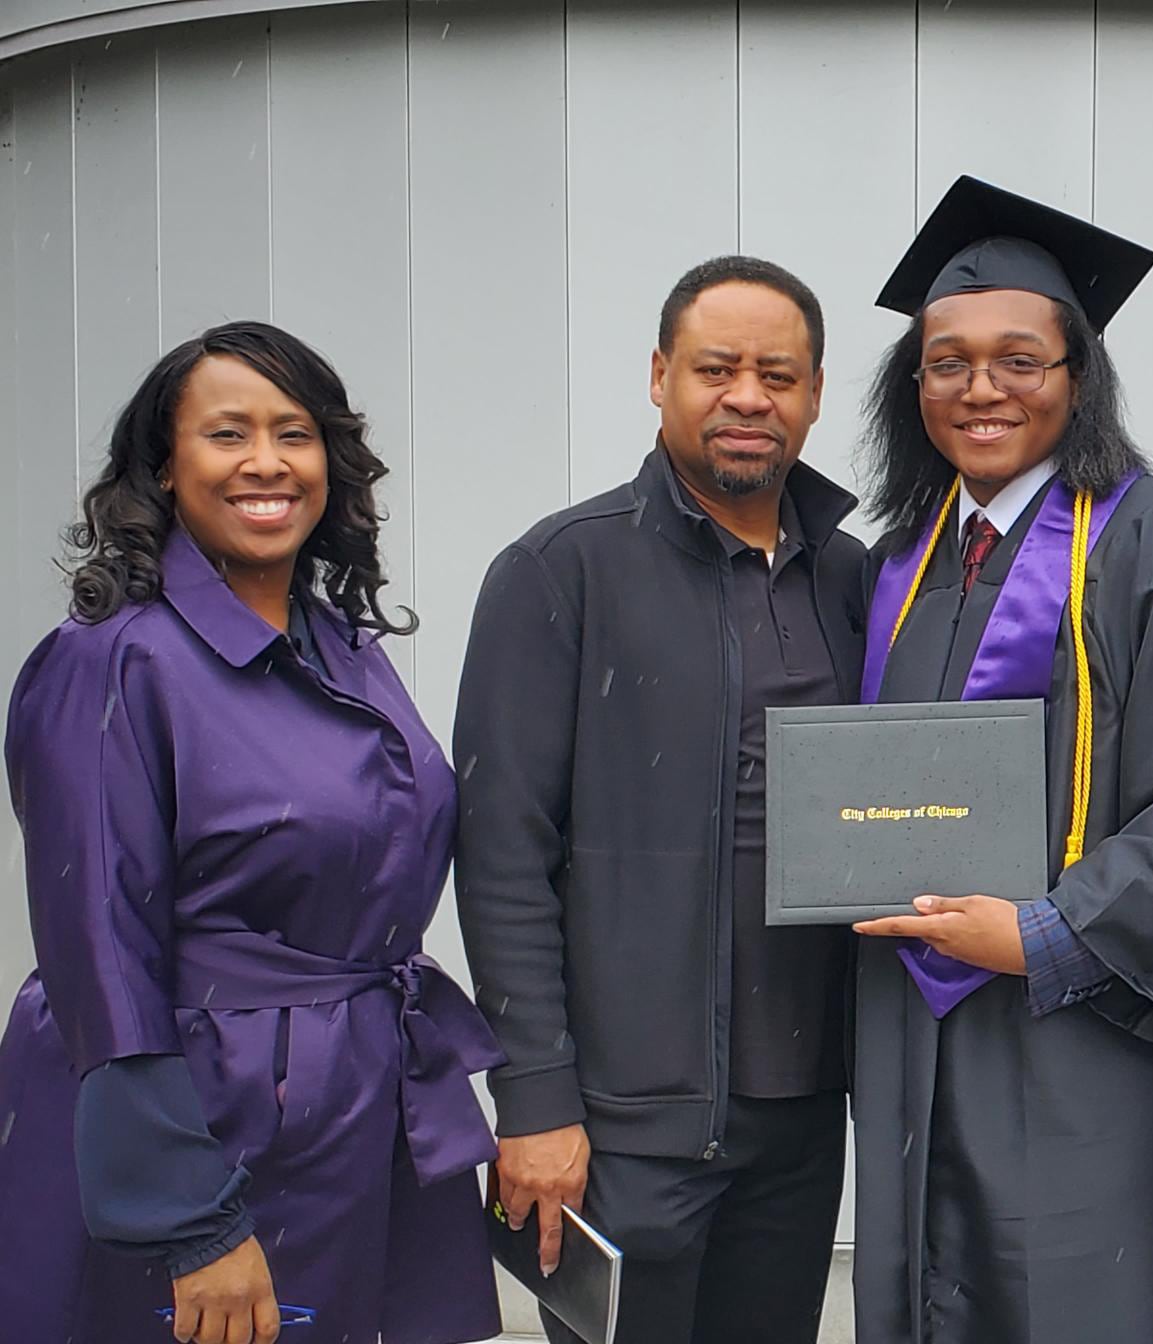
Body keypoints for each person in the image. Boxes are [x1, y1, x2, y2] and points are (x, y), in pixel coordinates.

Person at [847, 175, 1153, 1344]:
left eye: (1018, 359)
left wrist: (1047, 931)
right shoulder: (895, 567)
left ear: (1077, 377)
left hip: (1087, 1027)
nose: (980, 388)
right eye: (947, 361)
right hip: (914, 1032)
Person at [0, 321, 504, 1344]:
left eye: (296, 433)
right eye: (228, 434)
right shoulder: (111, 661)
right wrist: (188, 1219)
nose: (268, 462)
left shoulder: (336, 642)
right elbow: (101, 959)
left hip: (356, 1097)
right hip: (207, 1118)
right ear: (165, 469)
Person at [454, 256, 865, 1344]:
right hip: (625, 1128)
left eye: (777, 374)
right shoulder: (559, 572)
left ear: (815, 393)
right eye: (715, 368)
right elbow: (502, 852)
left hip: (801, 1118)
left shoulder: (856, 580)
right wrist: (534, 1098)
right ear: (658, 377)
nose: (747, 397)